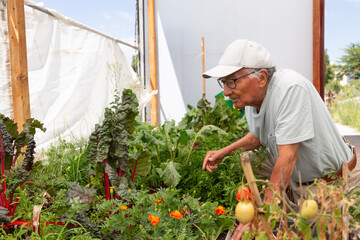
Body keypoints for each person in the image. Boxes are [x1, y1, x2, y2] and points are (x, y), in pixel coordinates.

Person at [201, 39, 359, 239]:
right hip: (301, 185)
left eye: (232, 81)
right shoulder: (252, 101)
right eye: (223, 82)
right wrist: (224, 152)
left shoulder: (290, 89)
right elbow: (259, 135)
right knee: (253, 159)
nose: (226, 91)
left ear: (261, 77)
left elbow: (288, 158)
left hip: (333, 184)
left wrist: (261, 215)